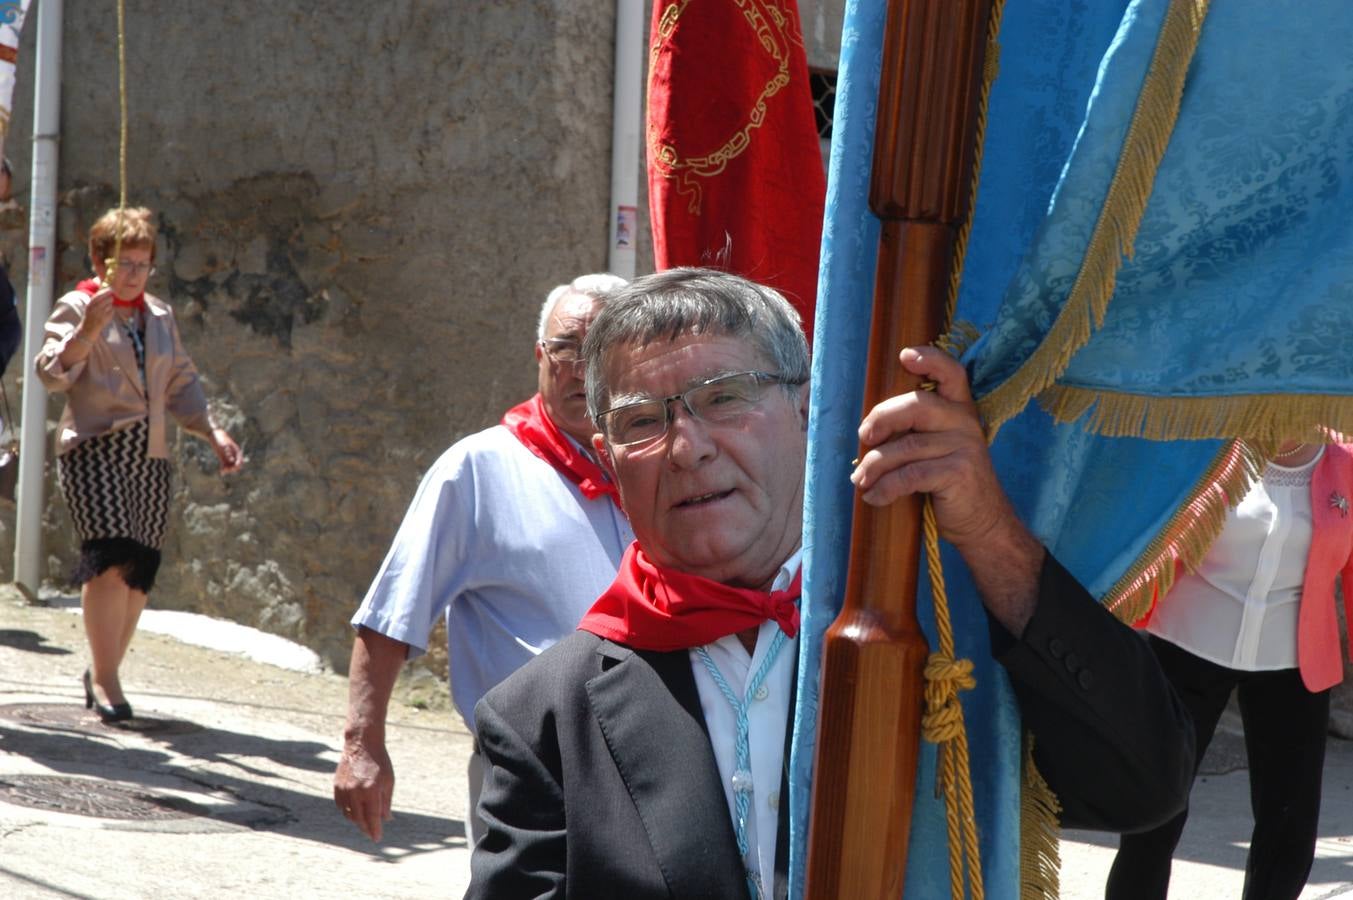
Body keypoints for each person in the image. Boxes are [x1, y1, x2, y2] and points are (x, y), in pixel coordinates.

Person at [465, 268, 1195, 899]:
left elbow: (1144, 785)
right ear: (609, 457)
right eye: (641, 422)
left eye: (723, 398)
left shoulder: (932, 633)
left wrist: (986, 528)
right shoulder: (542, 720)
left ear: (807, 409)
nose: (686, 448)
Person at [333, 273, 633, 843]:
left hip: (644, 767)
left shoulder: (656, 465)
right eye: (566, 348)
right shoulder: (478, 470)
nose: (580, 368)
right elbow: (394, 613)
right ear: (539, 355)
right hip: (531, 773)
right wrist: (361, 745)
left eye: (601, 350)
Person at [1107, 438, 1353, 900]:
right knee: (1153, 818)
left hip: (1294, 663)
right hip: (1188, 642)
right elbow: (1150, 525)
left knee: (1290, 827)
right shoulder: (1215, 448)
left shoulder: (1347, 466)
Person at [34, 206, 243, 722]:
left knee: (136, 574)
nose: (133, 274)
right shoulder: (78, 304)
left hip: (150, 455)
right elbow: (50, 372)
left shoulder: (160, 315)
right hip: (95, 447)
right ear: (99, 261)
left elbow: (180, 382)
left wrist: (212, 431)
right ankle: (107, 681)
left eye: (143, 264)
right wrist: (88, 328)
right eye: (123, 263)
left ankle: (103, 666)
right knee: (108, 559)